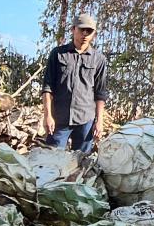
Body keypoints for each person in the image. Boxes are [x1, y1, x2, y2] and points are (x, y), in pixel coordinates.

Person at [41, 11, 109, 152]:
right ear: (73, 30)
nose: (85, 34)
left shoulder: (99, 59)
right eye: (81, 29)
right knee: (51, 162)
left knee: (82, 165)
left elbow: (100, 93)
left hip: (85, 120)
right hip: (59, 119)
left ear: (94, 34)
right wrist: (47, 116)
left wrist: (99, 121)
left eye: (89, 31)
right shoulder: (58, 54)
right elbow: (47, 87)